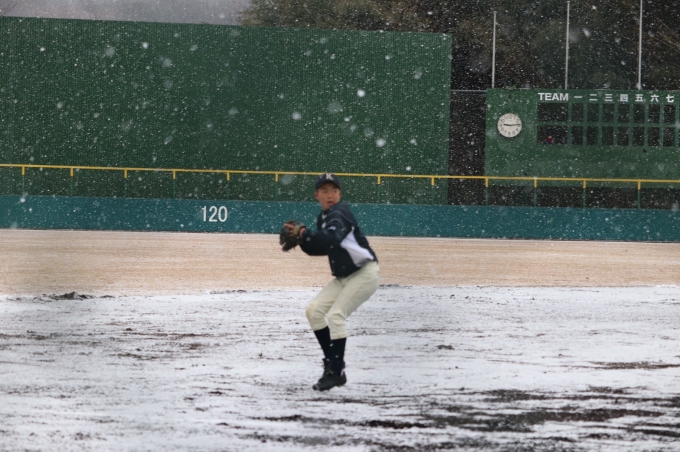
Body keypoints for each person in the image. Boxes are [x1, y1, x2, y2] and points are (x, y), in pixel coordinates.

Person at [280, 173, 380, 391]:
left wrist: (304, 232)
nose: (330, 195)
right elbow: (320, 248)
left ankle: (336, 372)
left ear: (340, 194)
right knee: (314, 311)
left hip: (364, 273)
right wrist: (304, 240)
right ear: (316, 195)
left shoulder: (339, 213)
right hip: (346, 277)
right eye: (324, 191)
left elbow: (333, 238)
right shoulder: (324, 218)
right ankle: (332, 364)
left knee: (336, 315)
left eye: (334, 190)